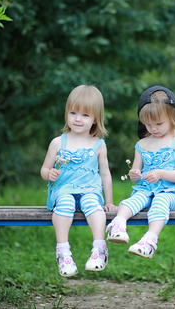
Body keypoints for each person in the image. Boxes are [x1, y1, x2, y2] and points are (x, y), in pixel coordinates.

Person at [106, 86, 175, 259]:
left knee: (160, 200)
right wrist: (135, 174)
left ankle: (149, 240)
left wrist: (160, 173)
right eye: (148, 124)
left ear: (172, 117)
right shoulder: (143, 144)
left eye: (159, 124)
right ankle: (118, 225)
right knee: (133, 200)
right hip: (146, 189)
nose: (153, 128)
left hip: (172, 192)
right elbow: (136, 172)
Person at [40, 85, 116, 277]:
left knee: (94, 205)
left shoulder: (98, 144)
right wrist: (48, 174)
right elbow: (44, 169)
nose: (77, 119)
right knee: (64, 204)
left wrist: (108, 201)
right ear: (67, 113)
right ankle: (63, 252)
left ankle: (99, 248)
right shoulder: (58, 142)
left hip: (90, 189)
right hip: (63, 189)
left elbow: (105, 174)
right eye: (73, 112)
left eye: (85, 115)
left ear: (95, 119)